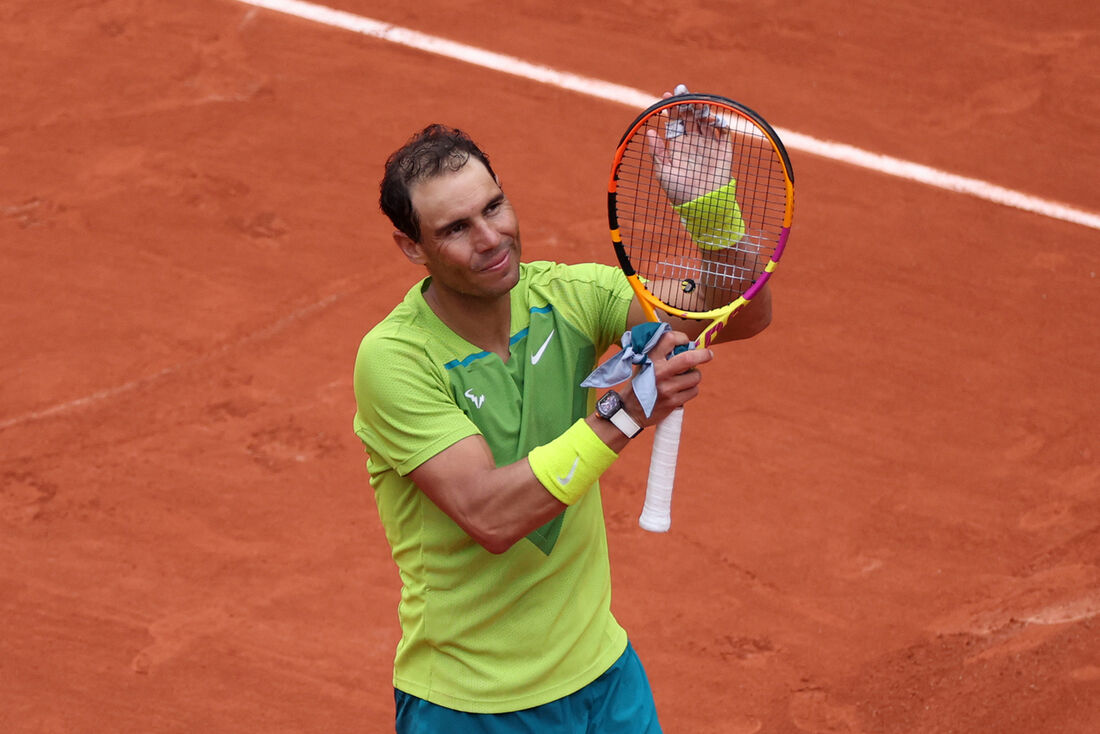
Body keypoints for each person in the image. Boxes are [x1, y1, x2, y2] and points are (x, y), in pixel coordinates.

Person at [352, 88, 772, 733]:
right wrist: (627, 412)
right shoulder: (395, 360)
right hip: (474, 704)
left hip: (603, 677)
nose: (491, 239)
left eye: (494, 207)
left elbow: (739, 312)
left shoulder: (569, 295)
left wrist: (710, 204)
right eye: (456, 229)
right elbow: (490, 516)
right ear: (412, 248)